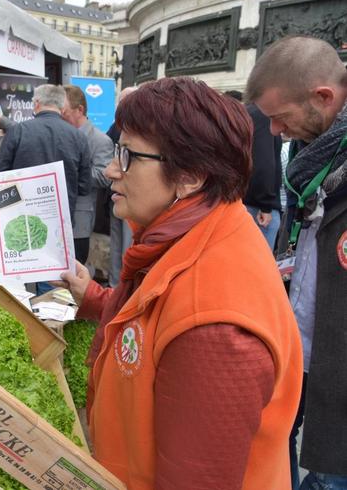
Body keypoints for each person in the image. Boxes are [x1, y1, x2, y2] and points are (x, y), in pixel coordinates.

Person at [55, 77, 302, 489]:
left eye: (128, 155)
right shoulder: (199, 230)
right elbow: (159, 311)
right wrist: (96, 298)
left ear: (190, 176)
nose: (112, 169)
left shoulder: (215, 329)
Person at [246, 35, 347, 490]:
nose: (273, 133)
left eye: (279, 118)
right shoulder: (317, 159)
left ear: (322, 97)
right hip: (307, 351)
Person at [0, 84, 91, 221]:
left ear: (36, 104)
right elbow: (84, 187)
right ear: (61, 108)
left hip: (23, 219)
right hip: (61, 221)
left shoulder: (19, 131)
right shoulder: (79, 137)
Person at [61, 85, 114, 265]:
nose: (60, 117)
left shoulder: (100, 140)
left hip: (79, 223)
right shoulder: (60, 135)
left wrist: (70, 171)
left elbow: (103, 176)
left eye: (64, 112)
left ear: (80, 110)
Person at [225, 90, 284, 251]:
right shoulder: (262, 115)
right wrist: (265, 205)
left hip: (245, 202)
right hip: (259, 209)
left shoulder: (247, 115)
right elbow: (264, 163)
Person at [106, 86, 137, 287]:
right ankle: (117, 287)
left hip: (129, 196)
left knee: (127, 244)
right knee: (118, 243)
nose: (109, 170)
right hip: (118, 196)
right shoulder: (116, 127)